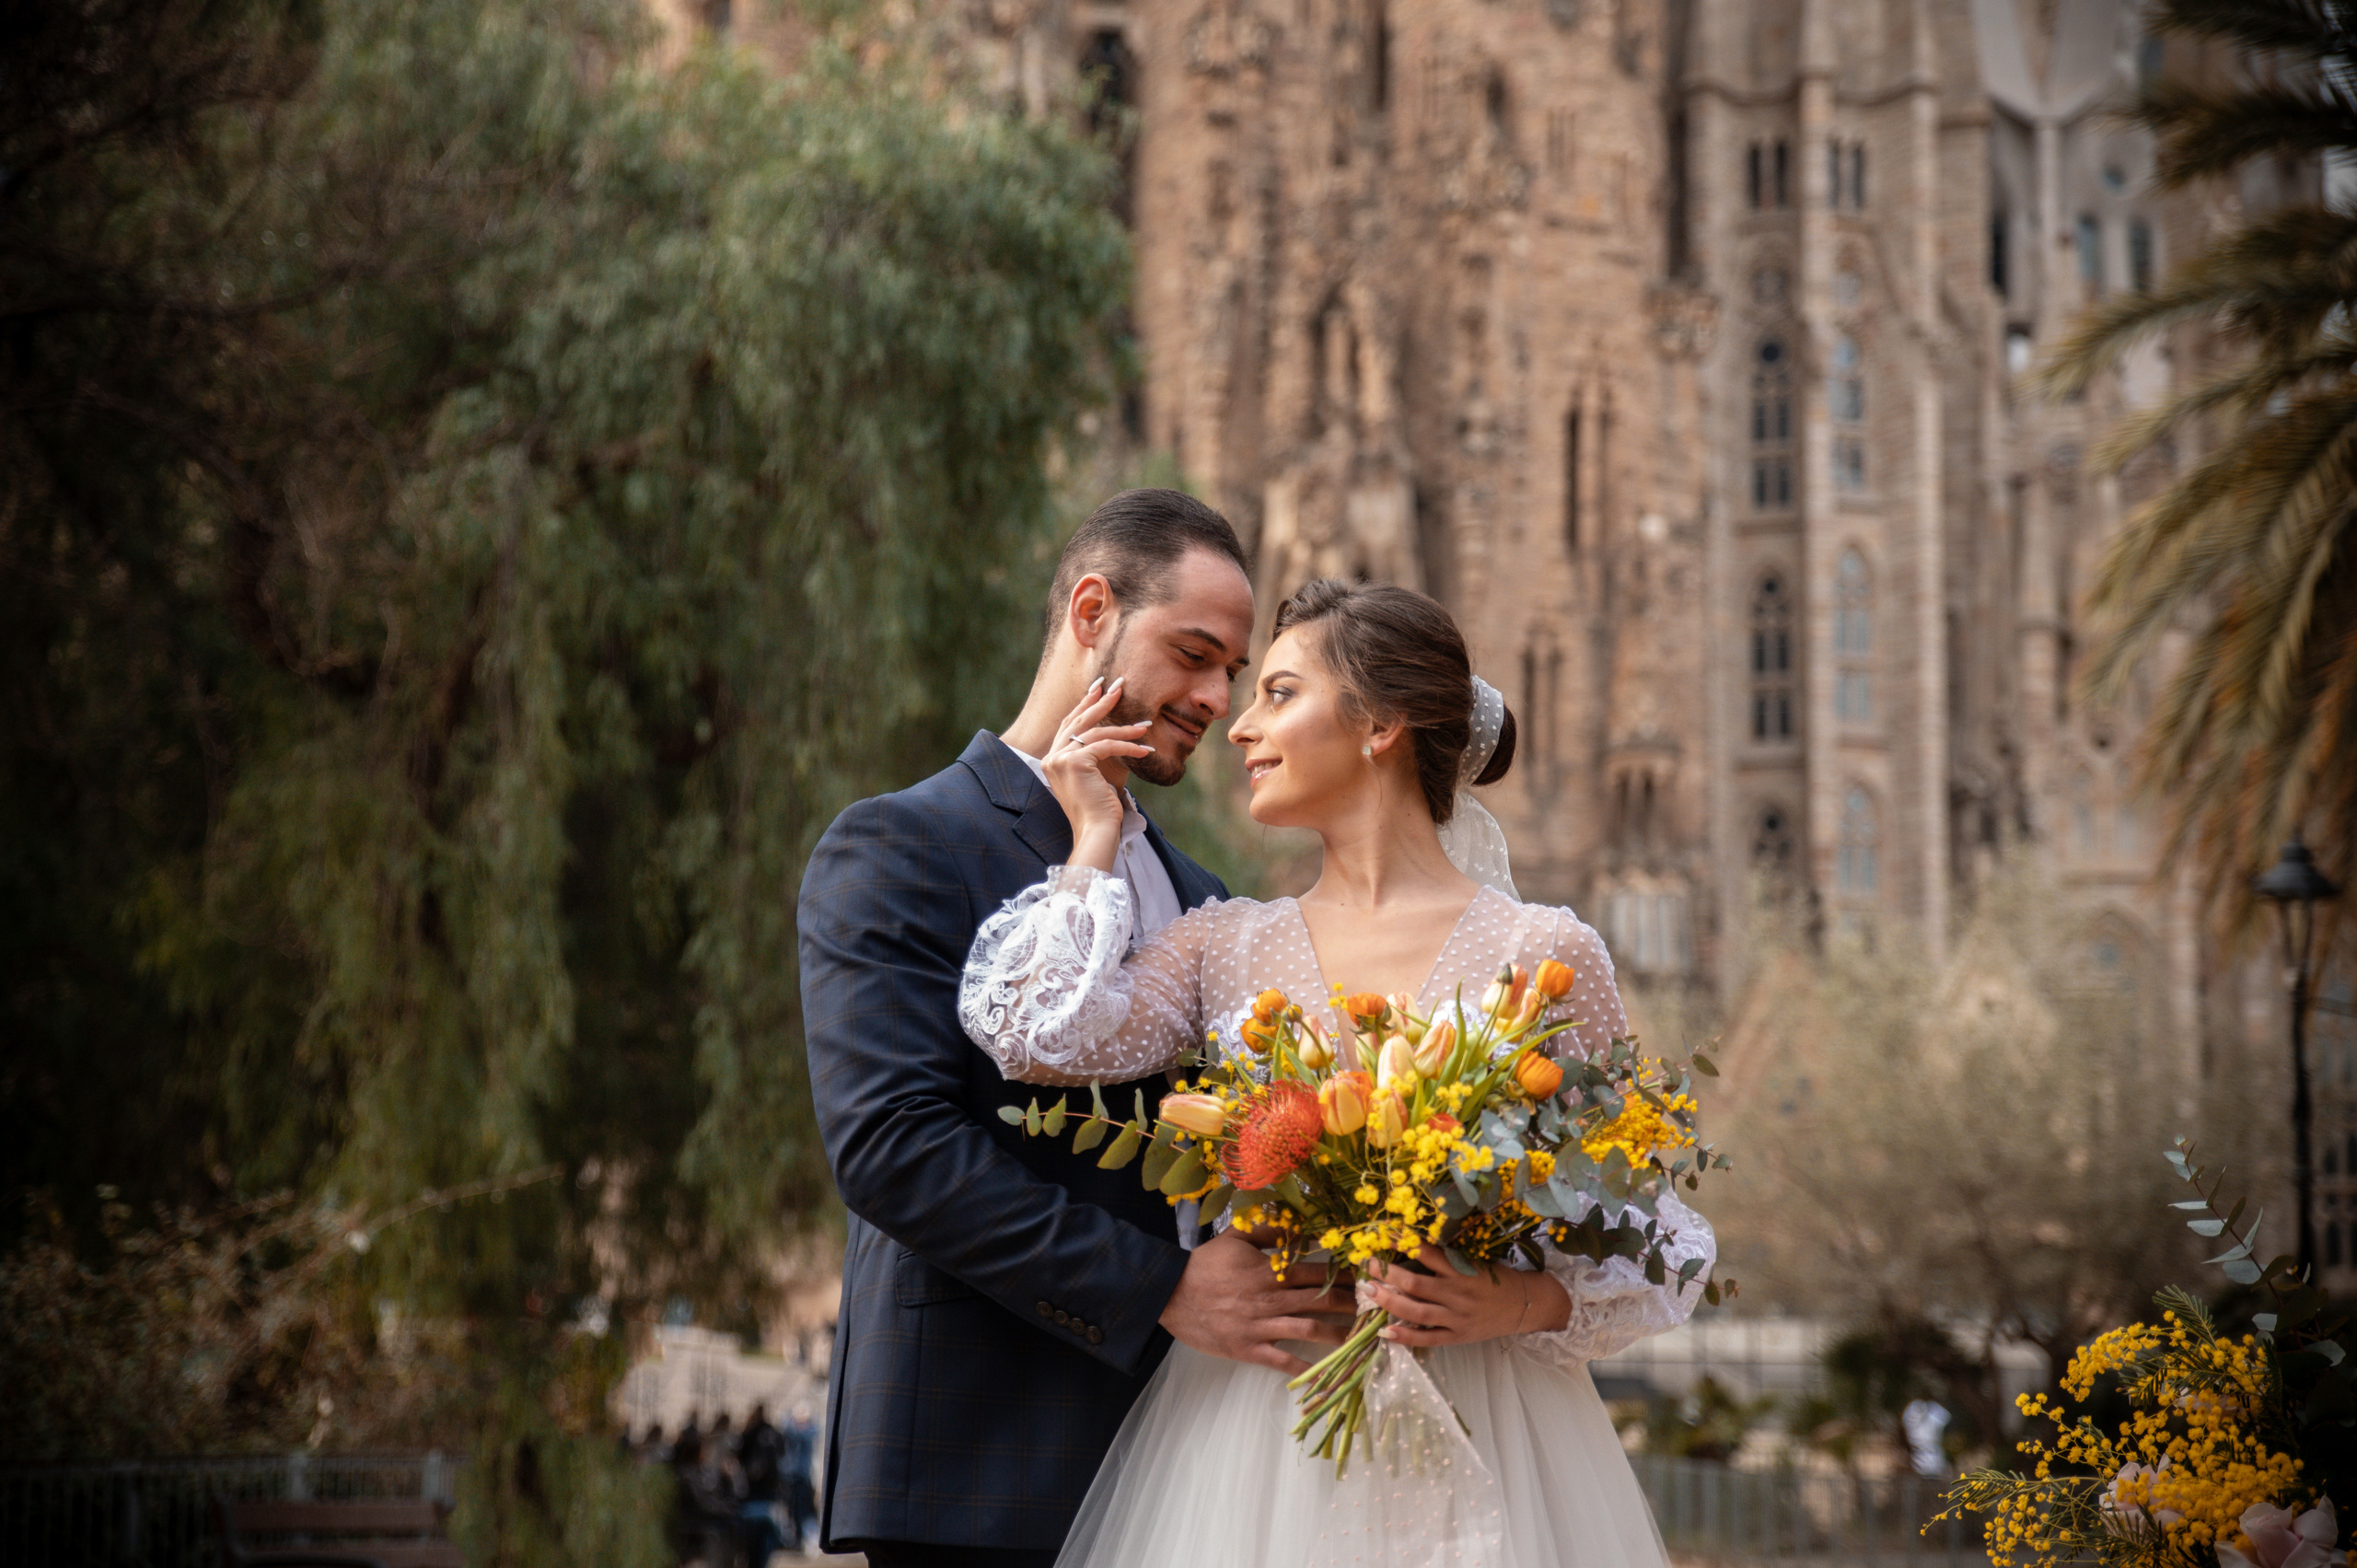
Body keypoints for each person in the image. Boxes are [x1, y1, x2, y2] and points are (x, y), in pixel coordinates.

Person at [958, 578, 1716, 1567]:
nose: (1238, 726)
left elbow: (1660, 1229)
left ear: (1381, 724)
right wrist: (1092, 834)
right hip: (1255, 1434)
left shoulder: (1544, 954)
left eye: (1277, 692)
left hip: (1496, 1416)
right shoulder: (1222, 944)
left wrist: (1517, 1302)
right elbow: (1029, 1031)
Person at [799, 490, 1350, 1568]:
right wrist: (1166, 1290)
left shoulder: (1204, 898)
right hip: (979, 1466)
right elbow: (891, 1149)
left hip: (1192, 1469)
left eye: (1232, 673)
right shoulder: (901, 842)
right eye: (1192, 652)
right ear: (1091, 609)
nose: (1211, 699)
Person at [737, 1403, 788, 1566]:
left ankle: (755, 1561)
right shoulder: (774, 1432)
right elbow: (782, 1455)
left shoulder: (751, 1432)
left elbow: (741, 1456)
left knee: (755, 1528)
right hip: (770, 1489)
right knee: (766, 1527)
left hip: (755, 1489)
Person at [779, 1402, 819, 1552]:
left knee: (802, 1511)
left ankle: (801, 1539)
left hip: (803, 1478)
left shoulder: (810, 1432)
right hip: (790, 1477)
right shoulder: (793, 1432)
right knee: (791, 1510)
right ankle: (793, 1539)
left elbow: (799, 1434)